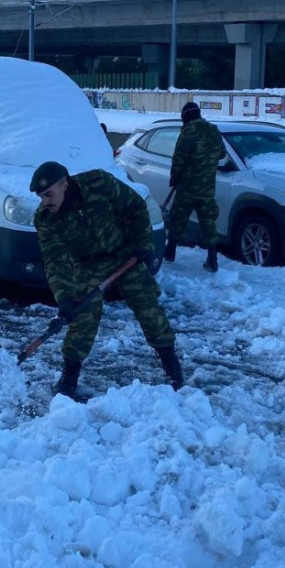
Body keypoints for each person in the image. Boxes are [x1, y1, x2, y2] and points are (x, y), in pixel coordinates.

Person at [31, 160, 183, 399]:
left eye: (48, 194)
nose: (45, 202)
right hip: (87, 262)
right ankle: (69, 378)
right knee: (83, 316)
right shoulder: (46, 219)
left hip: (125, 252)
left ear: (65, 184)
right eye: (41, 197)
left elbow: (135, 207)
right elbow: (55, 261)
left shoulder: (99, 183)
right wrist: (65, 298)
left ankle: (173, 369)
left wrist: (143, 244)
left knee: (147, 308)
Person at [164, 101, 226, 272]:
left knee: (178, 218)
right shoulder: (214, 131)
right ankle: (212, 260)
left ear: (185, 117)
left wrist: (174, 179)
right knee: (208, 222)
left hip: (187, 187)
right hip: (207, 188)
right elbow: (222, 153)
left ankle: (170, 252)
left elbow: (179, 159)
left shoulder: (188, 133)